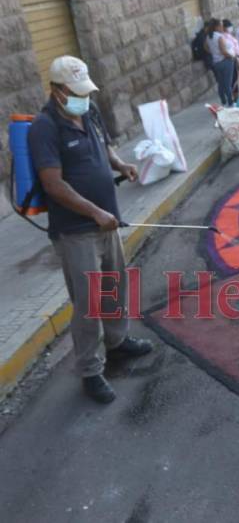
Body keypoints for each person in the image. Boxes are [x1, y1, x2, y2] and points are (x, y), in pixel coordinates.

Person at [28, 56, 153, 404]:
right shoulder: (45, 127)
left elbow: (104, 144)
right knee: (88, 302)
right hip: (76, 229)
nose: (83, 97)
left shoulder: (89, 110)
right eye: (76, 92)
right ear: (56, 91)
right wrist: (95, 212)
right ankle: (89, 370)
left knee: (114, 285)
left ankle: (117, 342)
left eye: (85, 91)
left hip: (107, 220)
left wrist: (121, 164)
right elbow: (52, 184)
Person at [205, 18, 237, 106]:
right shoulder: (219, 37)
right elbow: (224, 51)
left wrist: (214, 52)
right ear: (216, 27)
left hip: (216, 62)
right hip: (225, 61)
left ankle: (223, 100)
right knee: (227, 83)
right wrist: (232, 56)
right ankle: (230, 101)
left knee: (221, 83)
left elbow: (206, 47)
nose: (222, 27)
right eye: (221, 25)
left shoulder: (209, 36)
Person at [222, 19, 239, 101]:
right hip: (232, 59)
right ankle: (233, 99)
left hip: (235, 58)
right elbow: (230, 49)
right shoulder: (223, 37)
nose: (230, 28)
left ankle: (235, 98)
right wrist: (237, 59)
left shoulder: (229, 35)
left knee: (235, 79)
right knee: (233, 79)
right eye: (228, 26)